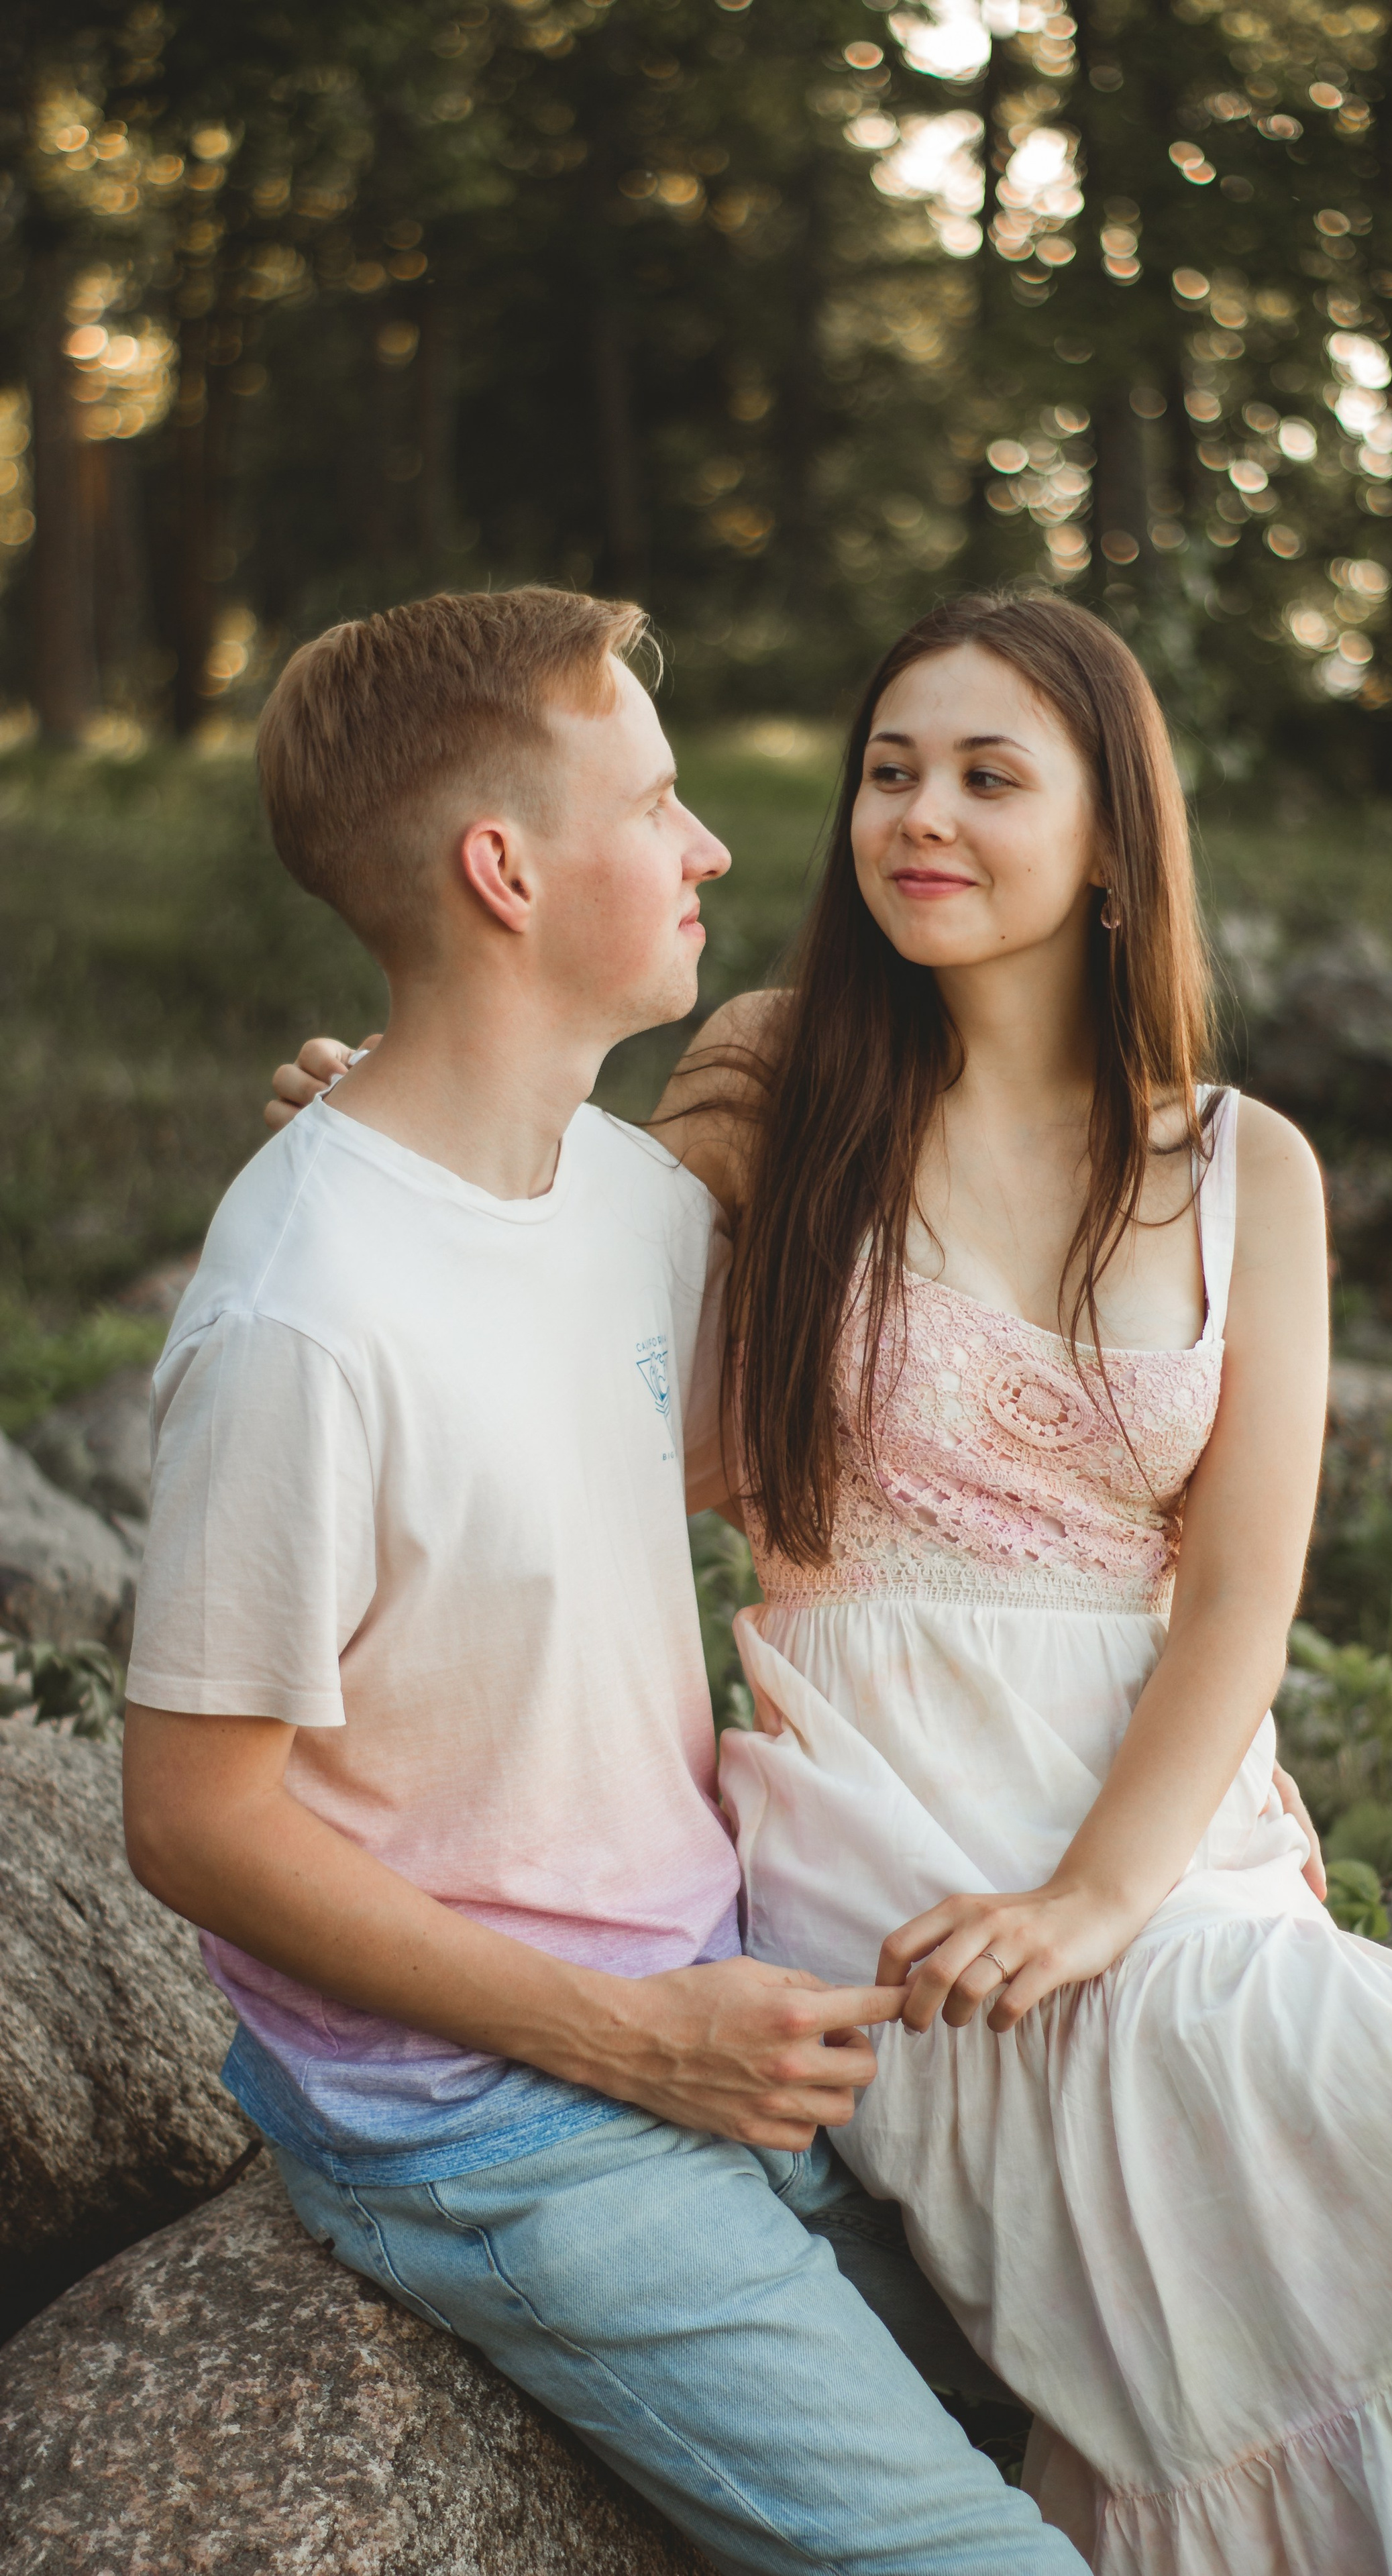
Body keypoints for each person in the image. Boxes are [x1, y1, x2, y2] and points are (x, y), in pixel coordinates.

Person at [650, 592, 1392, 2575]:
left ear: (1116, 844)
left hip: (1154, 1824)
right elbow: (597, 1337)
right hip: (882, 1800)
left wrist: (1105, 1892)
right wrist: (405, 1125)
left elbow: (1240, 1594)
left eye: (986, 775)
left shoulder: (1249, 1168)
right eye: (890, 772)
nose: (918, 816)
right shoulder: (783, 1076)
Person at [123, 586, 1089, 2576]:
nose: (713, 844)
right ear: (503, 868)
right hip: (493, 2119)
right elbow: (191, 1821)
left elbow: (928, 1465)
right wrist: (632, 2044)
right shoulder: (307, 1320)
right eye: (654, 802)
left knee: (1105, 2413)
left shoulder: (627, 1202)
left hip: (732, 2000)